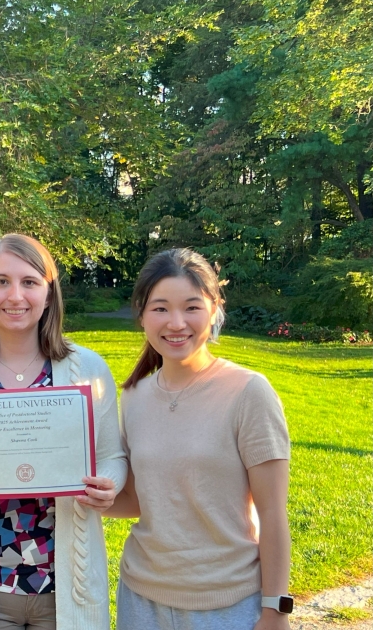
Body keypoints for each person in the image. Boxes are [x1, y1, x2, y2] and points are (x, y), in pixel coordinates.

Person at [0, 234, 127, 630]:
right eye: (1, 281)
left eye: (30, 282)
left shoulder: (88, 370)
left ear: (49, 294)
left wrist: (109, 484)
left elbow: (112, 456)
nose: (15, 295)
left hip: (63, 586)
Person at [107, 248, 292, 630]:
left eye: (191, 307)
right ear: (141, 315)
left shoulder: (249, 392)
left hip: (228, 605)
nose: (176, 323)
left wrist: (275, 612)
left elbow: (273, 512)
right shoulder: (134, 396)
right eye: (160, 308)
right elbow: (139, 501)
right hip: (140, 599)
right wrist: (71, 492)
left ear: (214, 309)